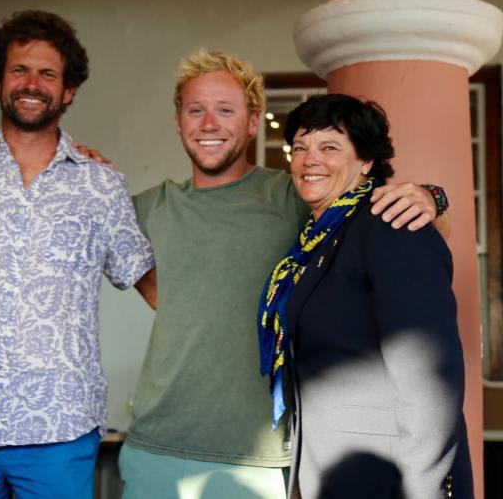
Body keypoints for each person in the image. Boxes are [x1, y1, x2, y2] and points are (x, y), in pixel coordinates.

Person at [118, 49, 447, 499]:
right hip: (155, 446)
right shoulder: (144, 209)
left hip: (263, 458)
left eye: (226, 110)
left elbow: (387, 216)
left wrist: (432, 197)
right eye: (196, 110)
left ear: (254, 122)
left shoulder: (297, 194)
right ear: (179, 121)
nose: (209, 123)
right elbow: (153, 287)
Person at [0, 10, 155, 498]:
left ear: (69, 90)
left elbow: (148, 282)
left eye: (48, 74)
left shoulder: (102, 184)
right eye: (19, 70)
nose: (31, 83)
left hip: (61, 429)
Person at [257, 94, 470, 498]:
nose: (309, 159)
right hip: (330, 472)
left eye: (330, 147)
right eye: (300, 147)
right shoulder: (315, 243)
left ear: (366, 162)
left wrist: (422, 488)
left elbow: (430, 381)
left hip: (390, 478)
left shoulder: (390, 224)